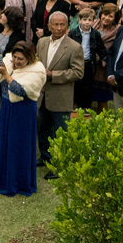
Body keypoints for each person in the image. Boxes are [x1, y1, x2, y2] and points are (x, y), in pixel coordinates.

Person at [0, 41, 46, 198]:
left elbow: (19, 90)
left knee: (18, 145)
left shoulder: (36, 71)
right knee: (5, 142)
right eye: (15, 57)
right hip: (8, 108)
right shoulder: (7, 61)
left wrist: (7, 74)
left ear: (29, 58)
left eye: (20, 59)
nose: (16, 61)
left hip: (23, 111)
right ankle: (3, 178)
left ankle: (19, 182)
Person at [35, 14, 84, 178]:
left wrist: (53, 75)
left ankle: (59, 166)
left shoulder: (74, 47)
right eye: (55, 25)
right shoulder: (42, 42)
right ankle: (45, 157)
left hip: (60, 97)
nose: (58, 28)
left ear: (67, 26)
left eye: (62, 25)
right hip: (42, 96)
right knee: (42, 130)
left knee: (59, 133)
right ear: (49, 26)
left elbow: (78, 73)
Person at [70, 8, 106, 112]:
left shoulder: (95, 34)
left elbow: (101, 48)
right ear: (79, 20)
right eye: (84, 19)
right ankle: (75, 104)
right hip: (76, 63)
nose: (87, 22)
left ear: (93, 21)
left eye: (90, 20)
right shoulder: (73, 33)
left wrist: (103, 59)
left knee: (87, 86)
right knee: (76, 84)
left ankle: (86, 106)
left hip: (88, 63)